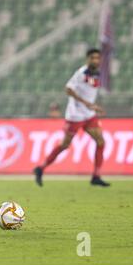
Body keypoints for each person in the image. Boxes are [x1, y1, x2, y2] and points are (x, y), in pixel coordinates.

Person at [34, 48, 109, 187]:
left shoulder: (98, 73)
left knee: (100, 141)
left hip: (89, 115)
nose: (96, 60)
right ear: (88, 59)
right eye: (93, 58)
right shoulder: (81, 73)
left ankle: (96, 176)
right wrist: (88, 104)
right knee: (65, 145)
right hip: (75, 116)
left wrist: (92, 106)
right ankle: (41, 168)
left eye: (98, 58)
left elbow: (89, 91)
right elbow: (68, 89)